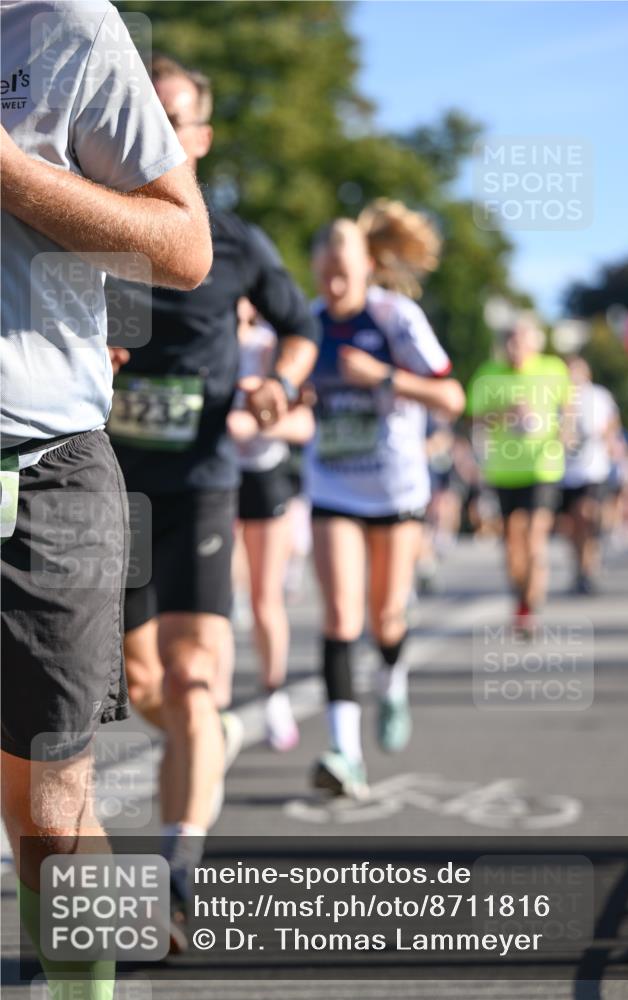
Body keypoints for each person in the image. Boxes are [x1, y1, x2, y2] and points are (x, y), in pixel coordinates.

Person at [0, 2, 212, 997]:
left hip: (40, 466)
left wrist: (5, 168)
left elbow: (180, 246)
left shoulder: (64, 27)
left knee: (47, 812)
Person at [105, 55, 319, 947]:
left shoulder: (233, 241)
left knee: (194, 683)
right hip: (111, 485)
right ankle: (207, 739)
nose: (154, 129)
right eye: (139, 113)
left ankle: (174, 879)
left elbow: (300, 326)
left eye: (172, 115)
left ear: (199, 136)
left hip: (200, 483)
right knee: (142, 684)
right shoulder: (91, 225)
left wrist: (281, 388)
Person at [304, 202, 465, 798]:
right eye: (325, 272)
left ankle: (392, 682)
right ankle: (345, 752)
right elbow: (291, 398)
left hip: (396, 488)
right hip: (333, 486)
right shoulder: (309, 323)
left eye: (344, 269)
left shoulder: (397, 318)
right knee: (341, 617)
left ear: (369, 265)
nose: (335, 282)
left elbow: (451, 397)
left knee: (385, 616)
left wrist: (383, 378)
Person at [227, 298, 315, 750]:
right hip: (215, 475)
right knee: (216, 601)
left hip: (265, 475)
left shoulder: (274, 347)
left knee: (265, 599)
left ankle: (273, 694)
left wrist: (256, 426)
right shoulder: (207, 340)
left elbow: (304, 425)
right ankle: (212, 708)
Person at [467, 316, 572, 630]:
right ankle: (522, 598)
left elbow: (567, 412)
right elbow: (473, 421)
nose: (515, 345)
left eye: (521, 338)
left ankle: (531, 602)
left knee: (533, 535)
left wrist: (565, 434)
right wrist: (504, 413)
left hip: (543, 467)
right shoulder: (488, 374)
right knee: (513, 542)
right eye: (509, 338)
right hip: (504, 470)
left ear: (534, 342)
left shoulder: (553, 369)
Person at [558, 356, 619, 593]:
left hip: (593, 468)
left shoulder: (598, 396)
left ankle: (588, 568)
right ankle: (580, 567)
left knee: (586, 515)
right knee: (570, 525)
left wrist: (609, 438)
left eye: (577, 370)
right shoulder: (557, 397)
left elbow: (612, 422)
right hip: (564, 471)